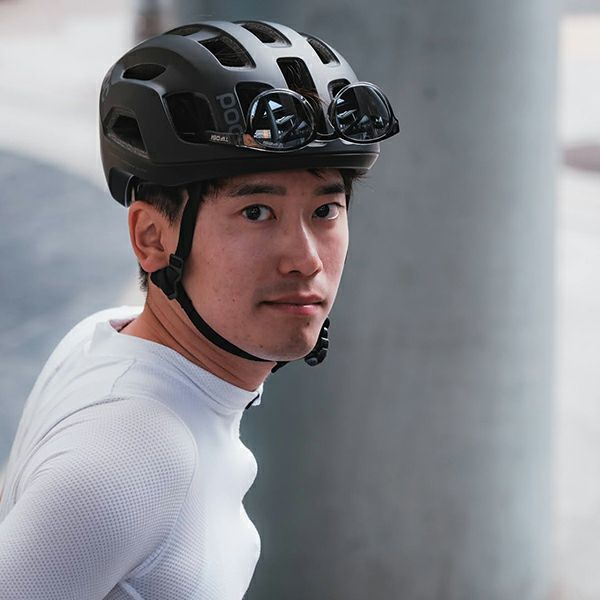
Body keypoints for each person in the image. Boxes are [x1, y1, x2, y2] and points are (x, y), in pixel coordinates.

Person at [0, 19, 398, 599]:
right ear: (152, 238)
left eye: (325, 211)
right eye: (256, 212)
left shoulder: (103, 336)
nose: (306, 260)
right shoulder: (132, 458)